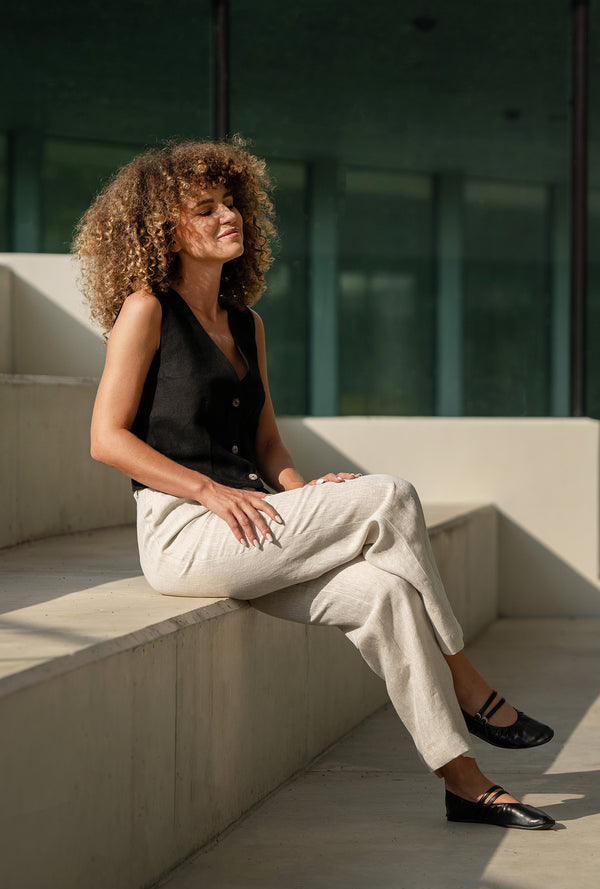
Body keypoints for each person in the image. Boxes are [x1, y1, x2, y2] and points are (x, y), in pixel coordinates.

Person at [74, 138, 556, 830]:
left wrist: (300, 491)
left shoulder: (247, 324)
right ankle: (468, 681)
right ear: (165, 230)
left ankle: (463, 781)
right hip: (183, 533)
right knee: (391, 495)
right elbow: (105, 439)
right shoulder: (146, 309)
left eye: (230, 202)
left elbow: (267, 442)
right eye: (204, 209)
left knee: (385, 595)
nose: (227, 215)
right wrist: (208, 493)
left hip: (255, 522)